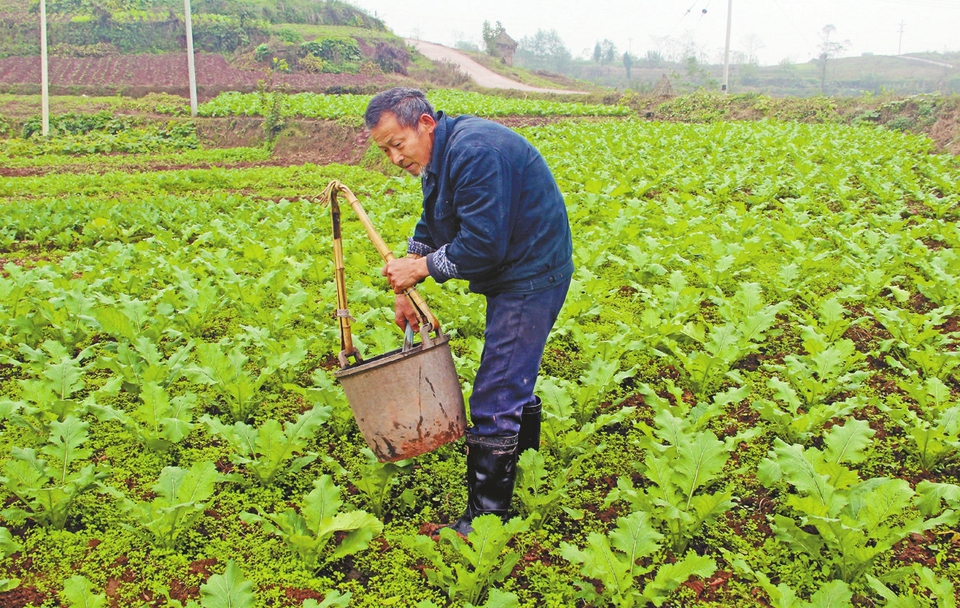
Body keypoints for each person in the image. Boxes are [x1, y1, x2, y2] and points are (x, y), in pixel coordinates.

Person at [364, 87, 573, 535]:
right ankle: (522, 472)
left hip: (531, 274)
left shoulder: (476, 153)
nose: (395, 158)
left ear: (424, 124)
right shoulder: (441, 156)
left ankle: (485, 521)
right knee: (510, 377)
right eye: (385, 151)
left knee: (496, 393)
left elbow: (482, 245)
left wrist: (420, 268)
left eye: (397, 145)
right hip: (517, 268)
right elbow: (432, 221)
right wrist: (406, 284)